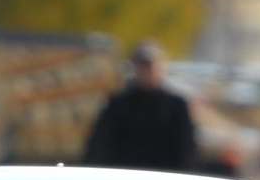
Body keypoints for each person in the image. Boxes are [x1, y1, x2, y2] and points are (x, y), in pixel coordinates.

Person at [83, 41, 198, 171]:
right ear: (135, 68)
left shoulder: (176, 106)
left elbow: (187, 151)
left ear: (163, 67)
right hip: (125, 179)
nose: (149, 70)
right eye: (143, 65)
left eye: (153, 65)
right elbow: (99, 146)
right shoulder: (118, 104)